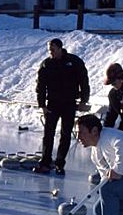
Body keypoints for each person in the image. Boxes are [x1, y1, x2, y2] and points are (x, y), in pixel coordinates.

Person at [34, 38, 90, 175]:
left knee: (65, 134)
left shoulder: (74, 62)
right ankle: (45, 162)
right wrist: (42, 105)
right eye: (49, 50)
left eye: (53, 50)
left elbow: (84, 81)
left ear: (60, 48)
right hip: (52, 103)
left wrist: (84, 100)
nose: (51, 53)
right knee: (48, 133)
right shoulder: (47, 64)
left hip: (69, 103)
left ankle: (60, 163)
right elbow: (40, 86)